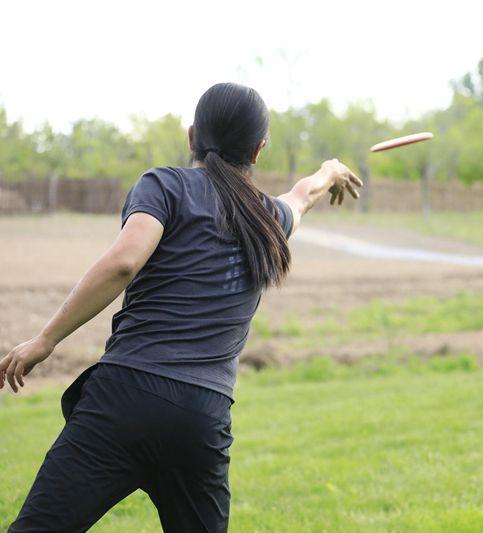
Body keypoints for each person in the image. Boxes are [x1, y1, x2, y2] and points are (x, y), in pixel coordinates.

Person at [1, 82, 362, 532]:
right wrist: (329, 171)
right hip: (202, 417)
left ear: (192, 136)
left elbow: (124, 262)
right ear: (259, 149)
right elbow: (303, 195)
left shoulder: (165, 186)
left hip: (125, 398)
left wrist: (45, 340)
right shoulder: (267, 218)